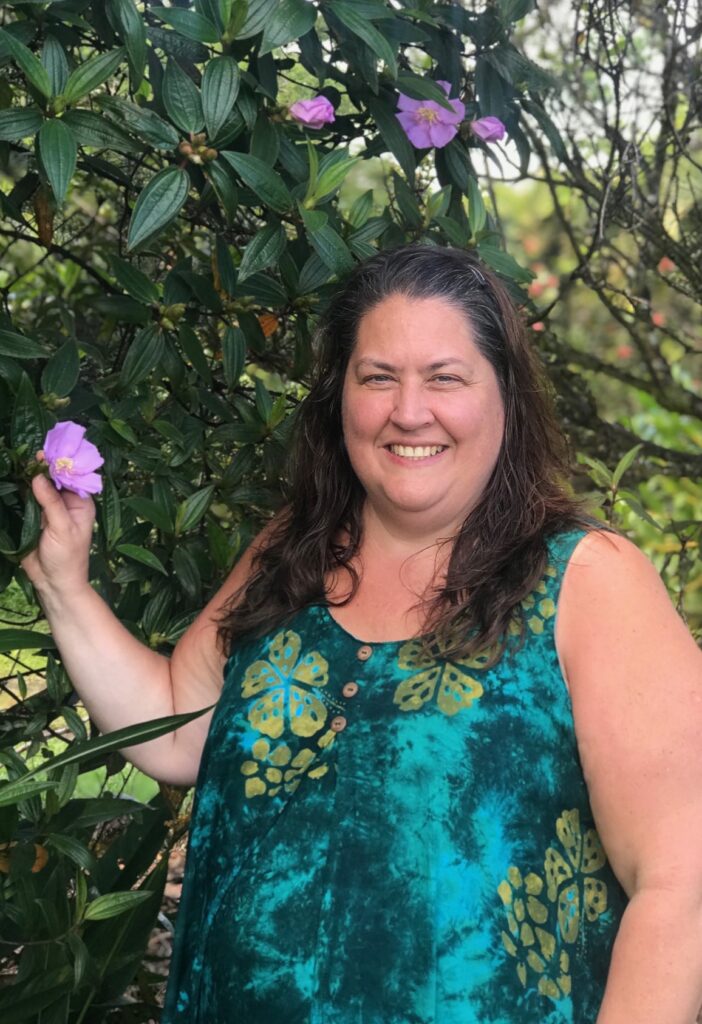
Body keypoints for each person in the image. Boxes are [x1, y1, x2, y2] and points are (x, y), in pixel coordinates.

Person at [23, 244, 702, 1023]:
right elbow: (176, 724)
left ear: (504, 396)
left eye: (445, 377)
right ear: (340, 397)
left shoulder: (587, 580)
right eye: (378, 377)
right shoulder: (295, 552)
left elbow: (680, 884)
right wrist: (63, 584)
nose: (409, 411)